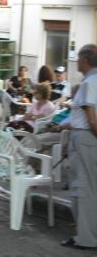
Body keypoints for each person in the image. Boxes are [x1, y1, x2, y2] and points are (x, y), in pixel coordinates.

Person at [61, 44, 97, 250]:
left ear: (85, 59)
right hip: (88, 138)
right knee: (91, 188)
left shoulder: (89, 83)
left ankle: (86, 238)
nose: (76, 60)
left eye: (78, 57)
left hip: (85, 138)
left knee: (82, 188)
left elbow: (92, 121)